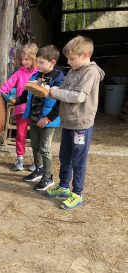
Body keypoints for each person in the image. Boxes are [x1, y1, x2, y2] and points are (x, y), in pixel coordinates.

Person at [45, 35, 105, 210]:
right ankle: (64, 186)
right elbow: (63, 89)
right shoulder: (73, 71)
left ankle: (77, 193)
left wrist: (53, 92)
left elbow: (78, 96)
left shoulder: (91, 72)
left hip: (81, 125)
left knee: (78, 160)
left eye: (72, 59)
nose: (69, 62)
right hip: (69, 123)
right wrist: (47, 89)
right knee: (65, 156)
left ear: (85, 55)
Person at [10, 45, 64, 191]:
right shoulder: (35, 76)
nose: (37, 65)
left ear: (52, 63)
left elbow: (60, 103)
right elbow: (26, 95)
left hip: (47, 121)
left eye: (41, 63)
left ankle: (48, 177)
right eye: (37, 62)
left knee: (45, 148)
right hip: (33, 118)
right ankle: (38, 169)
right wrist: (15, 101)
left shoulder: (58, 78)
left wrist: (48, 118)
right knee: (35, 146)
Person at [0, 43, 39, 171]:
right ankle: (20, 158)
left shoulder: (40, 73)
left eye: (26, 59)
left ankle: (36, 161)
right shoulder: (19, 73)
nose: (23, 61)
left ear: (33, 58)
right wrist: (2, 91)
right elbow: (8, 84)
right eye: (22, 59)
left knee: (35, 137)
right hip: (21, 110)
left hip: (36, 110)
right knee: (20, 135)